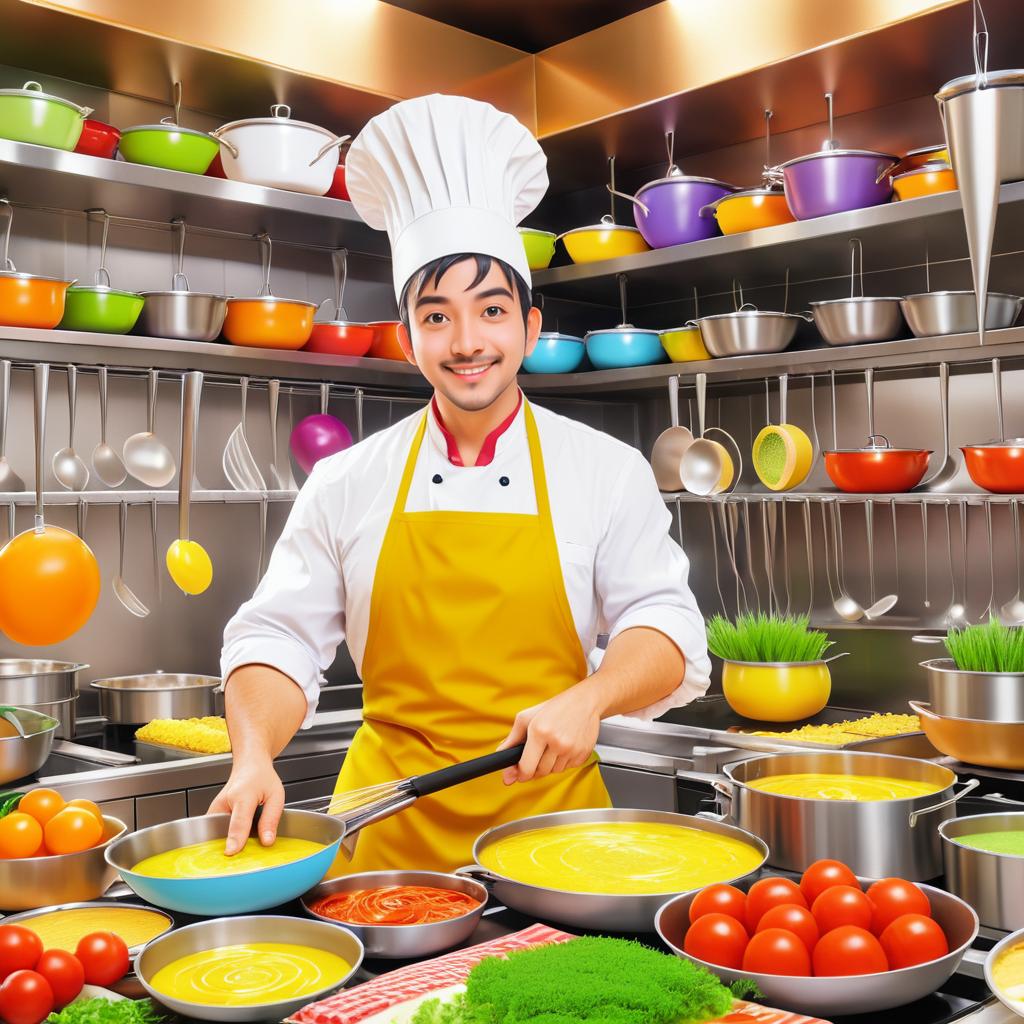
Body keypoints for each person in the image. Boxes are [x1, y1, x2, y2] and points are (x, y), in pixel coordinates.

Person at [212, 94, 710, 872]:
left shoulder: (604, 470)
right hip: (384, 850)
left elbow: (666, 628)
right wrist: (252, 758)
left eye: (491, 310)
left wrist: (592, 697)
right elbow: (277, 638)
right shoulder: (346, 481)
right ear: (408, 340)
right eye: (437, 317)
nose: (468, 341)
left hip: (559, 847)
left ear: (530, 329)